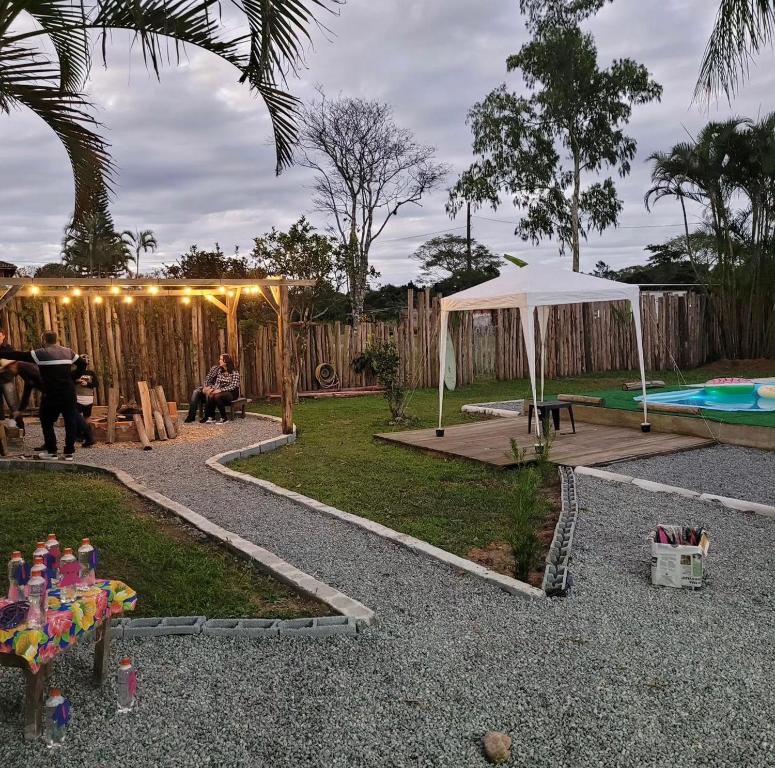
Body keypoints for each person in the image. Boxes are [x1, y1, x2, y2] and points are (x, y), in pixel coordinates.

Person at [2, 331, 86, 460]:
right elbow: (82, 364)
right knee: (70, 420)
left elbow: (18, 355)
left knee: (46, 420)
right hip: (68, 392)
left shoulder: (41, 353)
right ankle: (69, 452)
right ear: (56, 339)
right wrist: (73, 377)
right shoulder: (68, 352)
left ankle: (52, 452)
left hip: (51, 393)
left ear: (44, 340)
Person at [201, 353, 240, 423]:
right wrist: (213, 389)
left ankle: (224, 418)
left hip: (232, 393)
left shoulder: (234, 372)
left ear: (226, 361)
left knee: (217, 396)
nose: (219, 361)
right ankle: (211, 417)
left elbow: (233, 386)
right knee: (211, 394)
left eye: (221, 359)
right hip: (221, 391)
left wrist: (220, 390)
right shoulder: (220, 371)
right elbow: (217, 383)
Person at [0, 327, 22, 428]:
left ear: (3, 336)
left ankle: (20, 427)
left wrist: (3, 369)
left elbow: (15, 364)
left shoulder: (8, 349)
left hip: (6, 380)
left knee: (13, 405)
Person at [74, 362, 98, 447]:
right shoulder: (75, 372)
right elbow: (70, 381)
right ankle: (78, 435)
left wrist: (87, 384)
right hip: (77, 398)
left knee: (87, 417)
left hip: (88, 398)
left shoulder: (91, 373)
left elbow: (96, 384)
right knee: (76, 416)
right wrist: (77, 381)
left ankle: (88, 436)